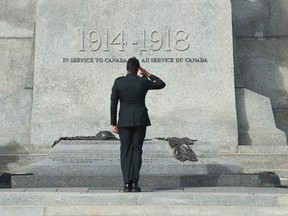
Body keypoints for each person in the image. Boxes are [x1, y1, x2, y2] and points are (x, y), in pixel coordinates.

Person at [110, 57, 166, 192]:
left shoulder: (119, 82)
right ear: (138, 69)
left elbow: (113, 103)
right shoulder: (143, 81)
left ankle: (126, 184)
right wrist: (147, 74)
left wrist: (113, 123)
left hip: (124, 121)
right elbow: (161, 83)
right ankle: (134, 183)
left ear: (126, 68)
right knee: (137, 150)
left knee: (125, 151)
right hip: (140, 120)